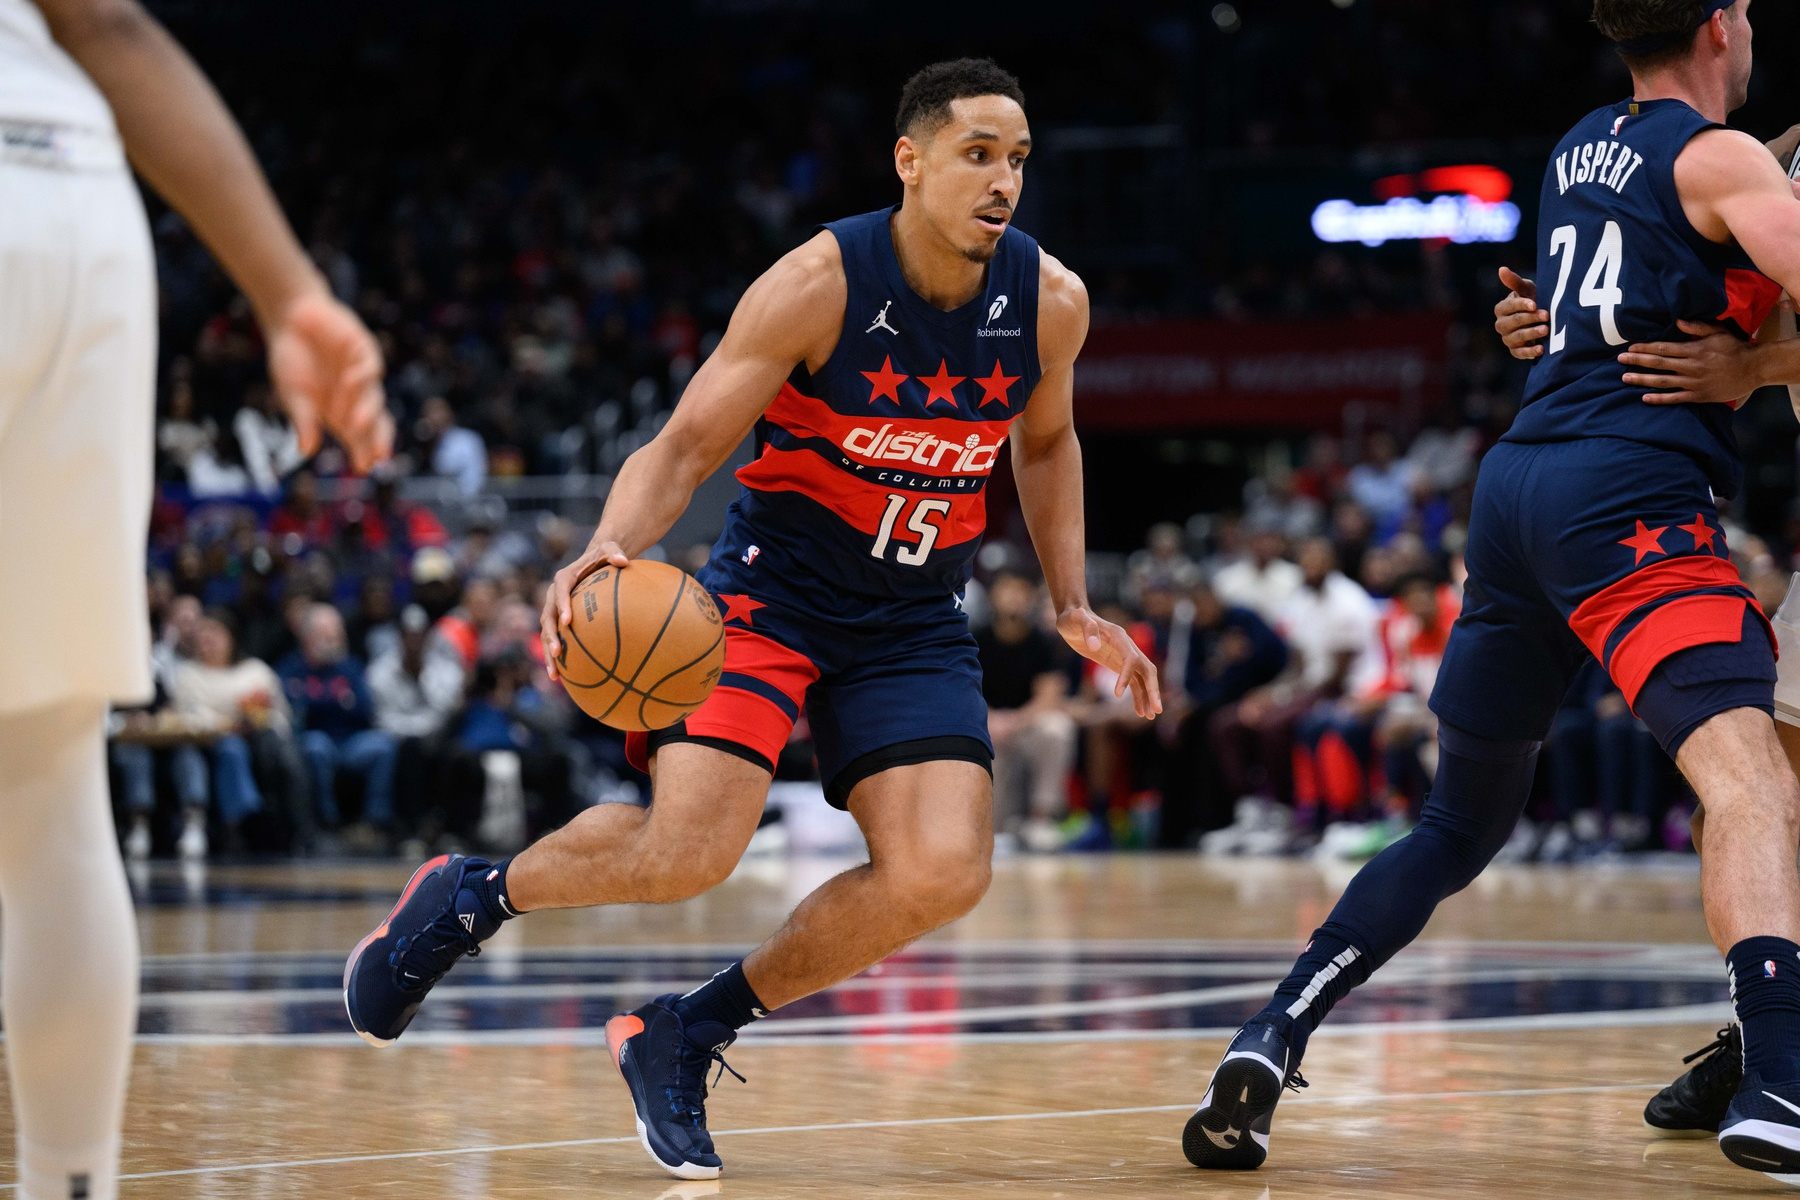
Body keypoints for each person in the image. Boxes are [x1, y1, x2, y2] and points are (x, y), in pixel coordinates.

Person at [344, 57, 1160, 1181]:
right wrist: (607, 543)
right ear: (911, 160)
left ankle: (686, 1029)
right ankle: (471, 898)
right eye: (978, 153)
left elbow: (1048, 441)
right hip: (771, 593)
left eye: (1018, 159)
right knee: (685, 853)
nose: (1003, 181)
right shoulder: (819, 282)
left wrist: (1073, 600)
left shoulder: (1049, 302)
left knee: (942, 870)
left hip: (913, 614)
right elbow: (684, 445)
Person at [1187, 1, 1800, 1180]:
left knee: (1458, 822)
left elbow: (1578, 301)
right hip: (1626, 492)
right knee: (1750, 780)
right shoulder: (1720, 156)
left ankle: (1271, 1035)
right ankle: (1778, 1076)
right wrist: (1762, 364)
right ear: (1721, 27)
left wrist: (1539, 322)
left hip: (1515, 492)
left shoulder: (1580, 143)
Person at [0, 0, 389, 1193]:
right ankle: (76, 1180)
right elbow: (106, 19)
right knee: (47, 777)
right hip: (71, 194)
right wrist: (288, 291)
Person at [279, 604, 397, 846]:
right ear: (308, 637)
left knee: (383, 745)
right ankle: (327, 822)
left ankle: (375, 823)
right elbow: (295, 710)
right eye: (326, 635)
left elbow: (364, 709)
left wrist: (320, 700)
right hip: (314, 739)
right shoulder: (291, 667)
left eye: (336, 634)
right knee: (316, 747)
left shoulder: (350, 667)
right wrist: (338, 701)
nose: (333, 641)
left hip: (351, 741)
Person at [977, 570, 1076, 851]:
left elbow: (1049, 695)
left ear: (1031, 598)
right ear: (994, 596)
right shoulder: (975, 637)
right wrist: (990, 719)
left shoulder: (1044, 641)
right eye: (1007, 590)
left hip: (1026, 725)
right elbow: (963, 689)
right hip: (986, 723)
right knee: (980, 740)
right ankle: (993, 828)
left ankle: (1041, 818)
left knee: (1057, 728)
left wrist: (1014, 722)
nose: (1014, 598)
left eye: (1021, 591)